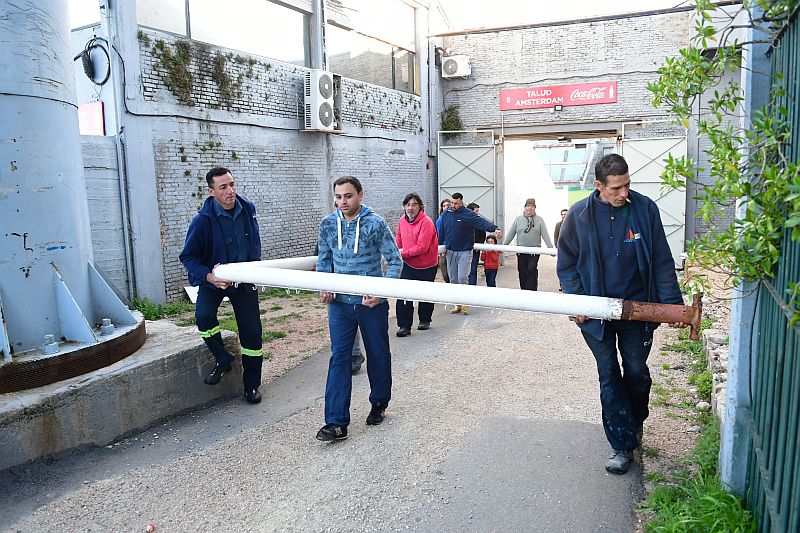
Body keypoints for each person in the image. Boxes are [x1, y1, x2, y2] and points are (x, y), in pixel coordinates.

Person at [556, 154, 683, 475]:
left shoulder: (644, 210)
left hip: (639, 310)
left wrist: (673, 307)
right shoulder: (579, 216)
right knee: (609, 373)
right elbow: (567, 263)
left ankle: (635, 420)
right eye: (616, 188)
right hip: (596, 313)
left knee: (637, 371)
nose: (623, 193)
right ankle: (621, 445)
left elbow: (662, 261)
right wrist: (576, 301)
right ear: (599, 185)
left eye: (627, 185)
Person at [315, 176, 402, 441]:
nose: (343, 202)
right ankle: (336, 422)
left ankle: (379, 402)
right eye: (339, 197)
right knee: (339, 358)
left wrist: (381, 292)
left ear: (360, 195)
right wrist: (324, 285)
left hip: (370, 303)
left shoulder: (375, 223)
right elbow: (323, 260)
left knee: (378, 354)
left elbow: (395, 261)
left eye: (348, 196)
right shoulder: (328, 224)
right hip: (340, 305)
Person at [179, 167, 264, 404]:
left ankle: (252, 386)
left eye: (232, 184)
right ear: (211, 191)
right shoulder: (203, 220)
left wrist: (254, 268)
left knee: (252, 335)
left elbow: (253, 243)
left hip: (244, 280)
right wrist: (209, 277)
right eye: (223, 187)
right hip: (214, 280)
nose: (230, 191)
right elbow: (188, 257)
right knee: (204, 317)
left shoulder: (247, 209)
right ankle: (222, 357)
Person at [438, 192, 502, 314]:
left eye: (456, 203)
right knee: (453, 279)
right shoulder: (446, 214)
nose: (453, 205)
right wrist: (439, 246)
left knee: (462, 277)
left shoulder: (468, 214)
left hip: (464, 251)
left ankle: (465, 303)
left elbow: (481, 222)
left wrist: (495, 228)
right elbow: (441, 231)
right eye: (451, 203)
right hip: (450, 251)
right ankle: (458, 304)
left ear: (461, 202)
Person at [395, 193, 439, 337]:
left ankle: (425, 320)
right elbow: (399, 237)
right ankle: (404, 325)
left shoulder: (426, 222)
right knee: (403, 295)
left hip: (427, 264)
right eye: (408, 205)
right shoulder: (402, 221)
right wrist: (398, 250)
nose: (411, 208)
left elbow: (422, 247)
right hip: (408, 263)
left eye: (414, 204)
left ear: (420, 206)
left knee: (425, 294)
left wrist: (403, 253)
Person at [503, 198, 552, 291]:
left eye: (532, 206)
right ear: (524, 207)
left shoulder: (540, 220)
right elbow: (511, 233)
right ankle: (524, 291)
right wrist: (503, 247)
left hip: (534, 252)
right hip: (521, 252)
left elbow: (545, 235)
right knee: (522, 271)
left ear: (535, 208)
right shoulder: (518, 219)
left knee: (531, 269)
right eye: (528, 206)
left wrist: (550, 249)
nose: (530, 208)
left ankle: (532, 291)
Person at [466, 202, 486, 286]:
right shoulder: (464, 221)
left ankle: (472, 288)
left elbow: (483, 235)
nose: (478, 213)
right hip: (465, 250)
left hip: (475, 250)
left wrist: (479, 245)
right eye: (476, 211)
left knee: (473, 269)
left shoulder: (479, 222)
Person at [435, 198, 451, 283]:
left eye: (447, 205)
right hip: (442, 247)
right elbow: (438, 234)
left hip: (452, 247)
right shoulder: (439, 220)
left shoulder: (453, 218)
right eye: (444, 206)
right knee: (444, 269)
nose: (445, 207)